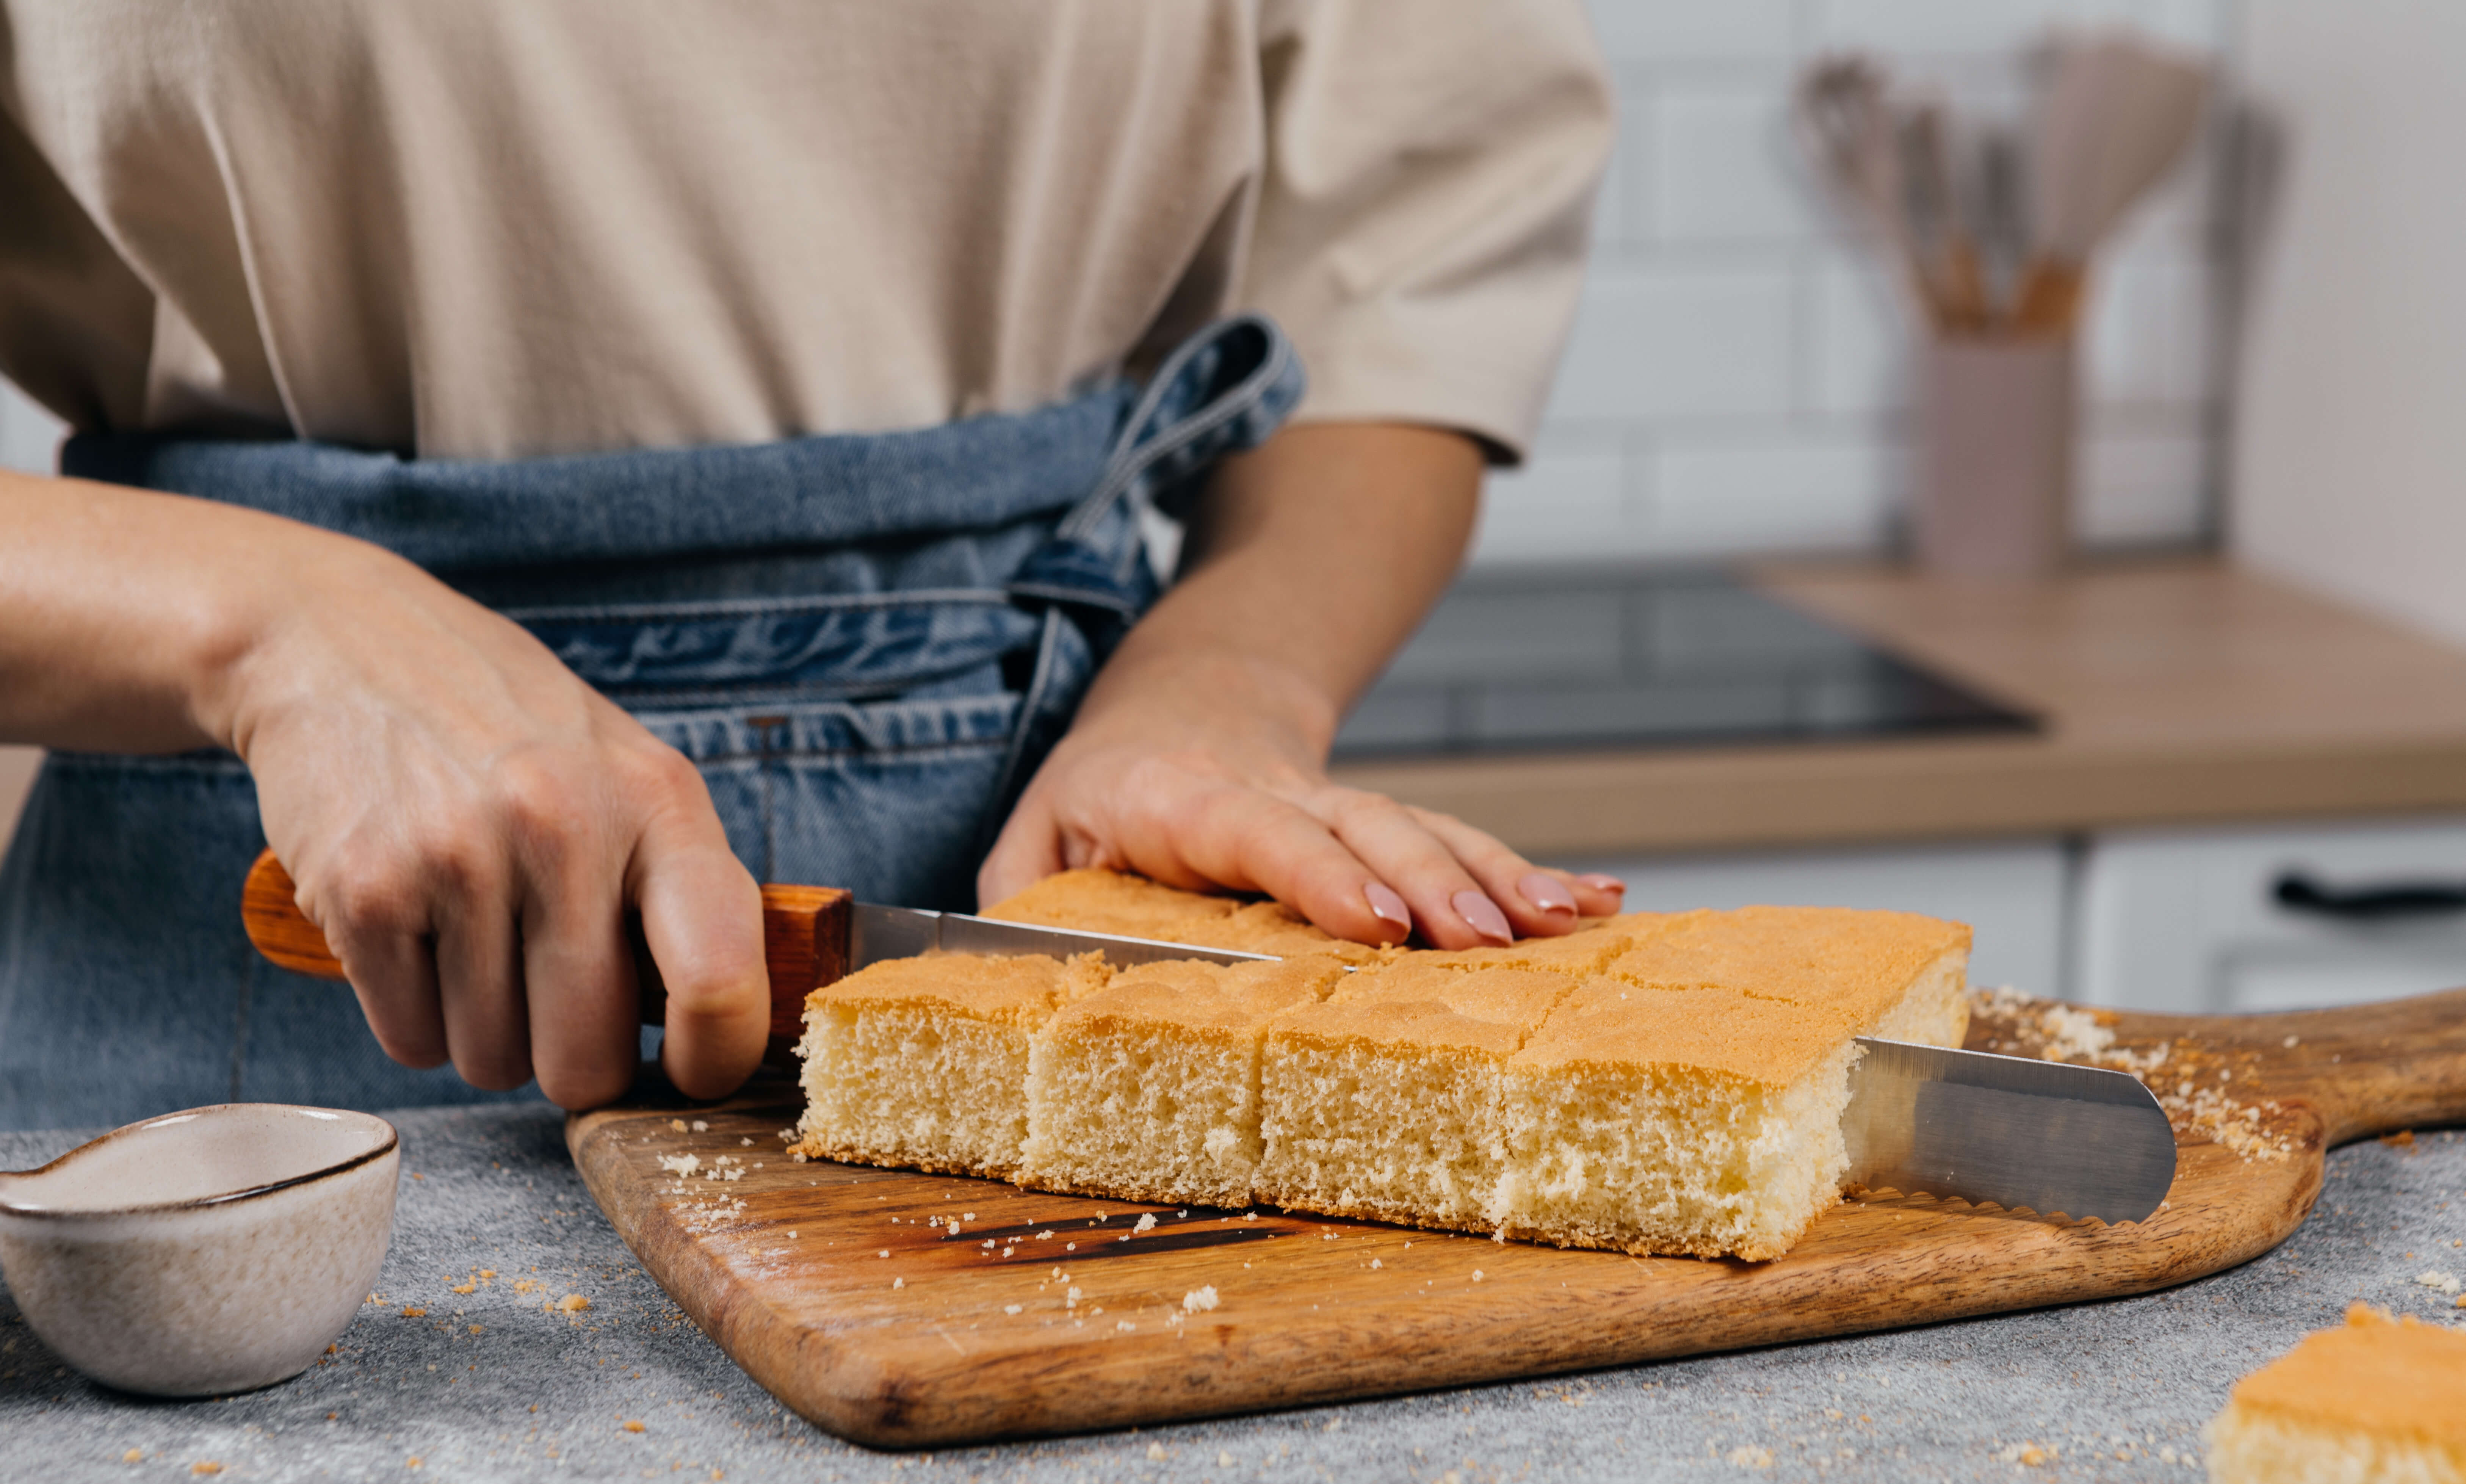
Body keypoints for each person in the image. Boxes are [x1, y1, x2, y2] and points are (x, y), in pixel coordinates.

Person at [0, 2, 1622, 1131]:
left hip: (1041, 834)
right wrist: (285, 632)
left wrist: (1224, 689)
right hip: (260, 934)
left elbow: (1402, 279)